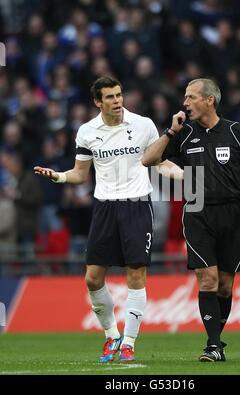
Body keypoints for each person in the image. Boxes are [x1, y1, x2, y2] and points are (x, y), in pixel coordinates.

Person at [34, 76, 162, 364]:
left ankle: (129, 342)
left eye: (119, 94)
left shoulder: (144, 125)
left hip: (137, 205)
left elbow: (158, 160)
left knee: (136, 275)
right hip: (104, 208)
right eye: (110, 97)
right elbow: (81, 174)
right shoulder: (87, 131)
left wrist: (186, 177)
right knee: (92, 278)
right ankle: (111, 335)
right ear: (98, 102)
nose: (117, 100)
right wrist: (59, 176)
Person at [142, 78, 240, 362]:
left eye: (191, 97)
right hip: (197, 209)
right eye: (185, 97)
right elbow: (148, 160)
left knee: (225, 284)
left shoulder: (236, 131)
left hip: (232, 211)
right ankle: (213, 345)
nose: (185, 103)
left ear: (209, 100)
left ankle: (215, 341)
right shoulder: (183, 133)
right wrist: (171, 131)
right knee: (207, 278)